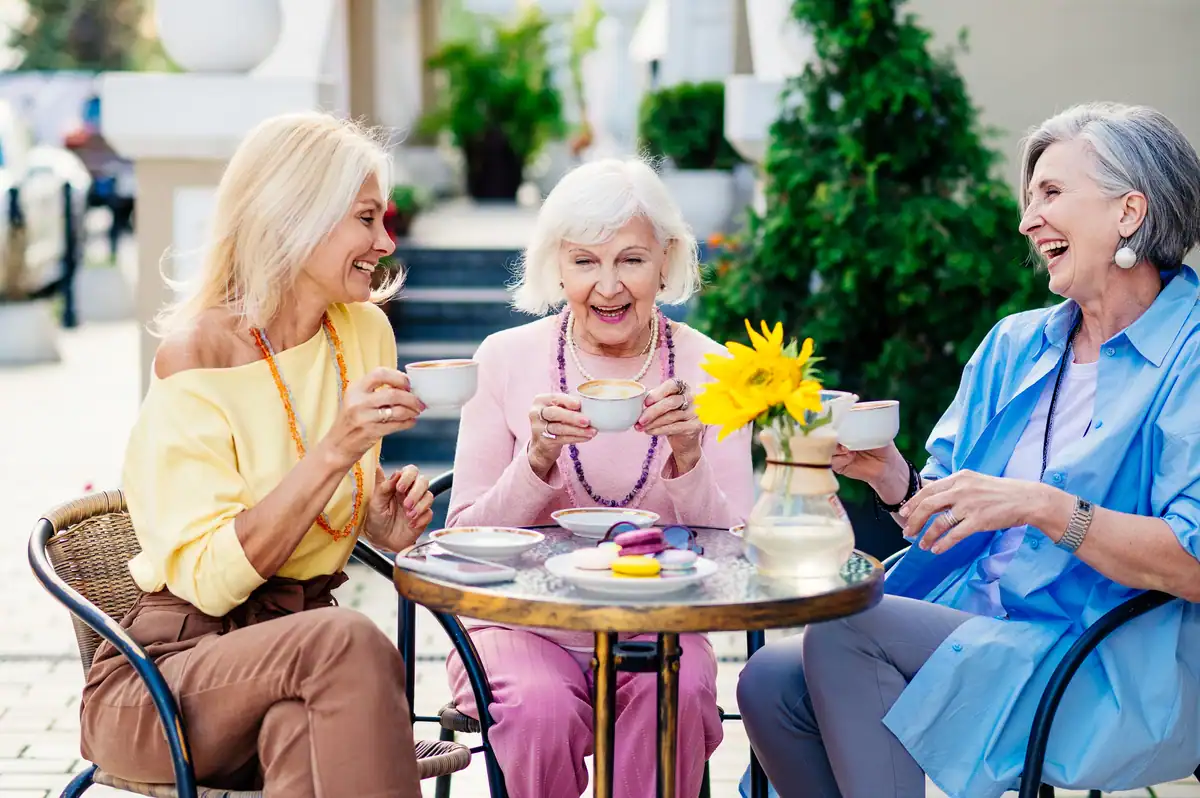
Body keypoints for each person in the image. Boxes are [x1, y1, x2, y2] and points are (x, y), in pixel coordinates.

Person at [737, 102, 1200, 798]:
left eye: (1050, 194)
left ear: (1129, 212)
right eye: (1028, 198)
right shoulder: (1016, 346)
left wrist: (1044, 508)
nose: (1026, 220)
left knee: (843, 633)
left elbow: (1193, 563)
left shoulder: (1190, 356)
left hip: (1099, 658)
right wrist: (893, 479)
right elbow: (951, 513)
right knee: (770, 680)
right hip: (981, 623)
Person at [79, 112, 437, 798]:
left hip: (299, 665)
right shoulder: (197, 359)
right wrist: (339, 450)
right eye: (365, 219)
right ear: (297, 216)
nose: (385, 241)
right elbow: (214, 580)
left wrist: (375, 521)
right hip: (167, 678)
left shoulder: (362, 334)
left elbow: (314, 497)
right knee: (350, 639)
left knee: (306, 731)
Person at [445, 157, 755, 797]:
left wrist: (688, 458)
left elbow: (739, 550)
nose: (608, 286)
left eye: (631, 260)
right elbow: (460, 540)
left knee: (674, 694)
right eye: (585, 261)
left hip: (661, 621)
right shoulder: (504, 359)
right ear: (556, 265)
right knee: (537, 709)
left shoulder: (716, 369)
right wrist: (534, 463)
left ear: (666, 261)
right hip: (518, 620)